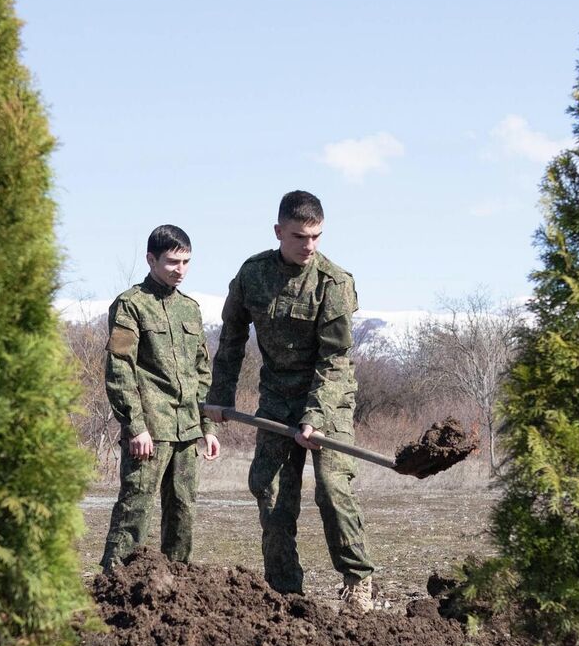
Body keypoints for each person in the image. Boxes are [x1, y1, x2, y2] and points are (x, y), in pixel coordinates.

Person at [206, 190, 375, 612]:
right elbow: (230, 342)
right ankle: (285, 592)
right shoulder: (253, 275)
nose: (309, 245)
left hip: (329, 398)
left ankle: (357, 581)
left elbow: (333, 361)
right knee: (271, 490)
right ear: (279, 231)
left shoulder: (334, 284)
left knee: (333, 489)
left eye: (316, 236)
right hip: (277, 397)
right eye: (300, 236)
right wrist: (218, 400)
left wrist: (315, 418)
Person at [100, 225, 221, 568]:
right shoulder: (130, 306)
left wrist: (208, 428)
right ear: (151, 259)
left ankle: (176, 588)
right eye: (172, 262)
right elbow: (120, 368)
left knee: (183, 512)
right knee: (134, 509)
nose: (180, 269)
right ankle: (115, 584)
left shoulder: (190, 309)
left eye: (186, 262)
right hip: (150, 429)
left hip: (186, 429)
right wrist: (135, 425)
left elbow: (202, 372)